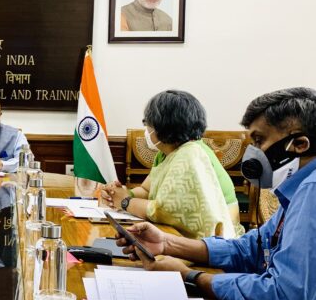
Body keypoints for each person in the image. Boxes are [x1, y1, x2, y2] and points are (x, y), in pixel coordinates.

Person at [117, 87, 316, 300]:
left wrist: (192, 278)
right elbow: (251, 249)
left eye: (259, 140)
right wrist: (168, 243)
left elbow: (287, 298)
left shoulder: (311, 190)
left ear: (299, 144)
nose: (253, 152)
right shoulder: (297, 188)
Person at [101, 90, 241, 239]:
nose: (146, 130)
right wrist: (122, 193)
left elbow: (164, 211)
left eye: (148, 124)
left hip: (218, 240)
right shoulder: (166, 152)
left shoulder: (190, 155)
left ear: (163, 127)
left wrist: (125, 202)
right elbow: (146, 189)